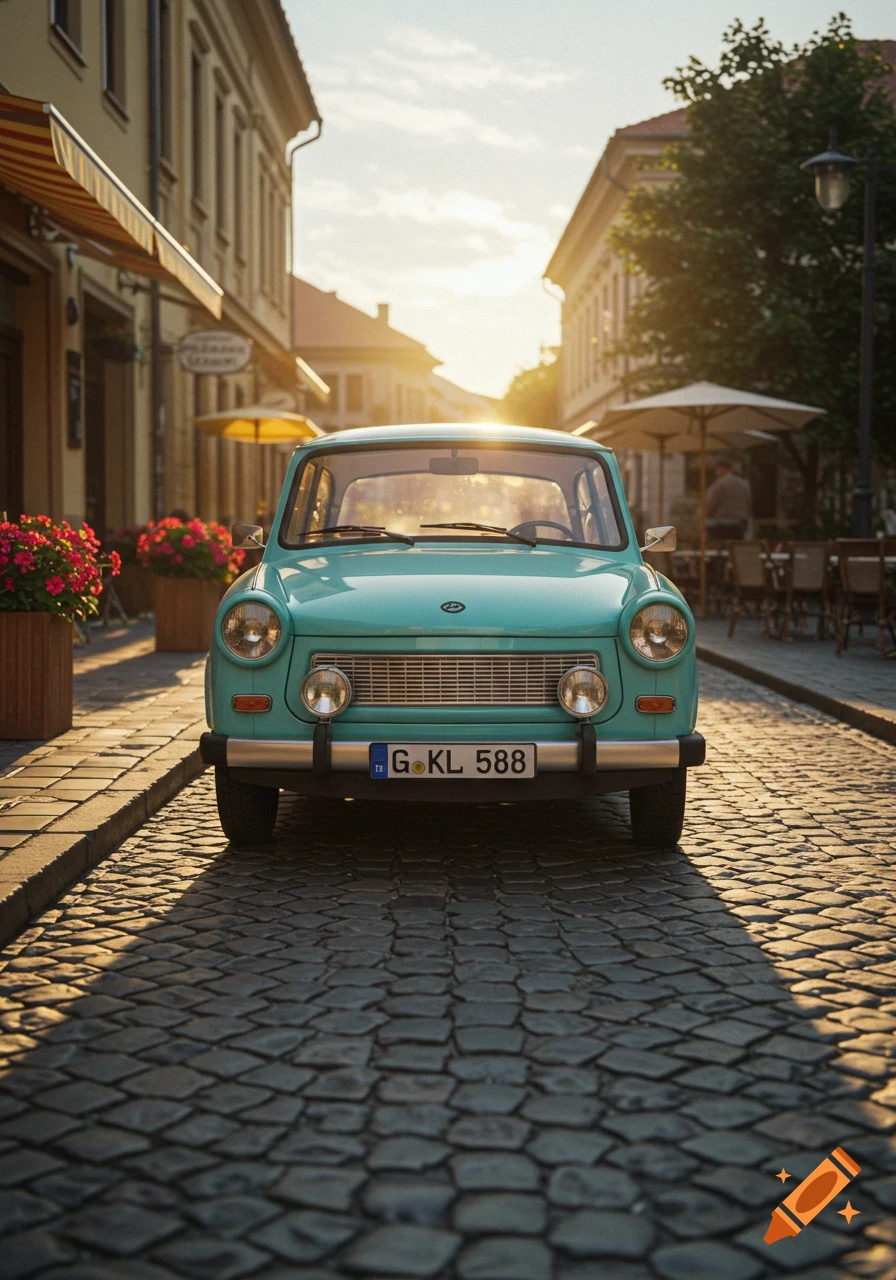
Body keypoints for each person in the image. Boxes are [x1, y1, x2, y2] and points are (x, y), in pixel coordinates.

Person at [705, 458, 751, 541]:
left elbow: (709, 505)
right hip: (739, 526)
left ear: (721, 468)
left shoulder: (718, 484)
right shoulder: (745, 484)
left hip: (720, 526)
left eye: (717, 469)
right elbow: (749, 503)